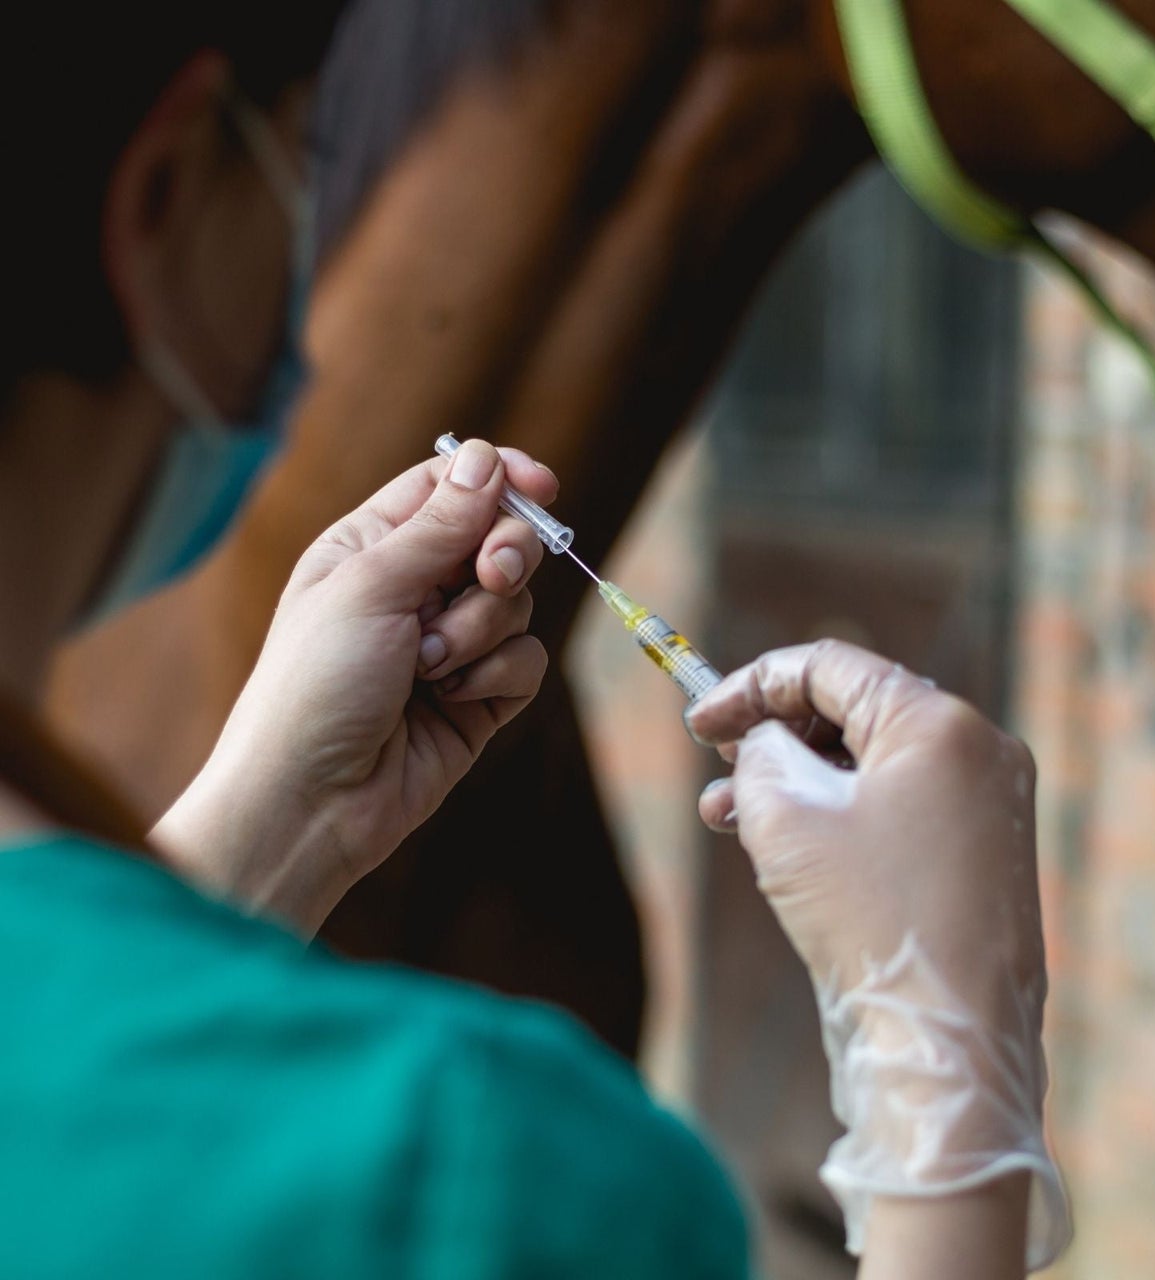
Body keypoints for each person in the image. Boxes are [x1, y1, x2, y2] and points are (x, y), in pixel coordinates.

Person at [0, 5, 1068, 1276]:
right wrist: (945, 1073)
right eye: (307, 160)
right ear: (168, 195)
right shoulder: (464, 1166)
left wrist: (271, 826)